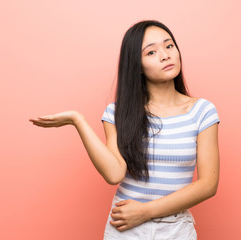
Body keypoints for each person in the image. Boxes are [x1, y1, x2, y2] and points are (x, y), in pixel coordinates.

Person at [29, 20, 220, 240]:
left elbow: (208, 184)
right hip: (126, 227)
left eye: (169, 46)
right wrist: (78, 120)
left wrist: (146, 211)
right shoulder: (117, 113)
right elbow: (114, 174)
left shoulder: (202, 111)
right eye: (151, 52)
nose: (165, 55)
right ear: (136, 66)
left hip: (176, 229)